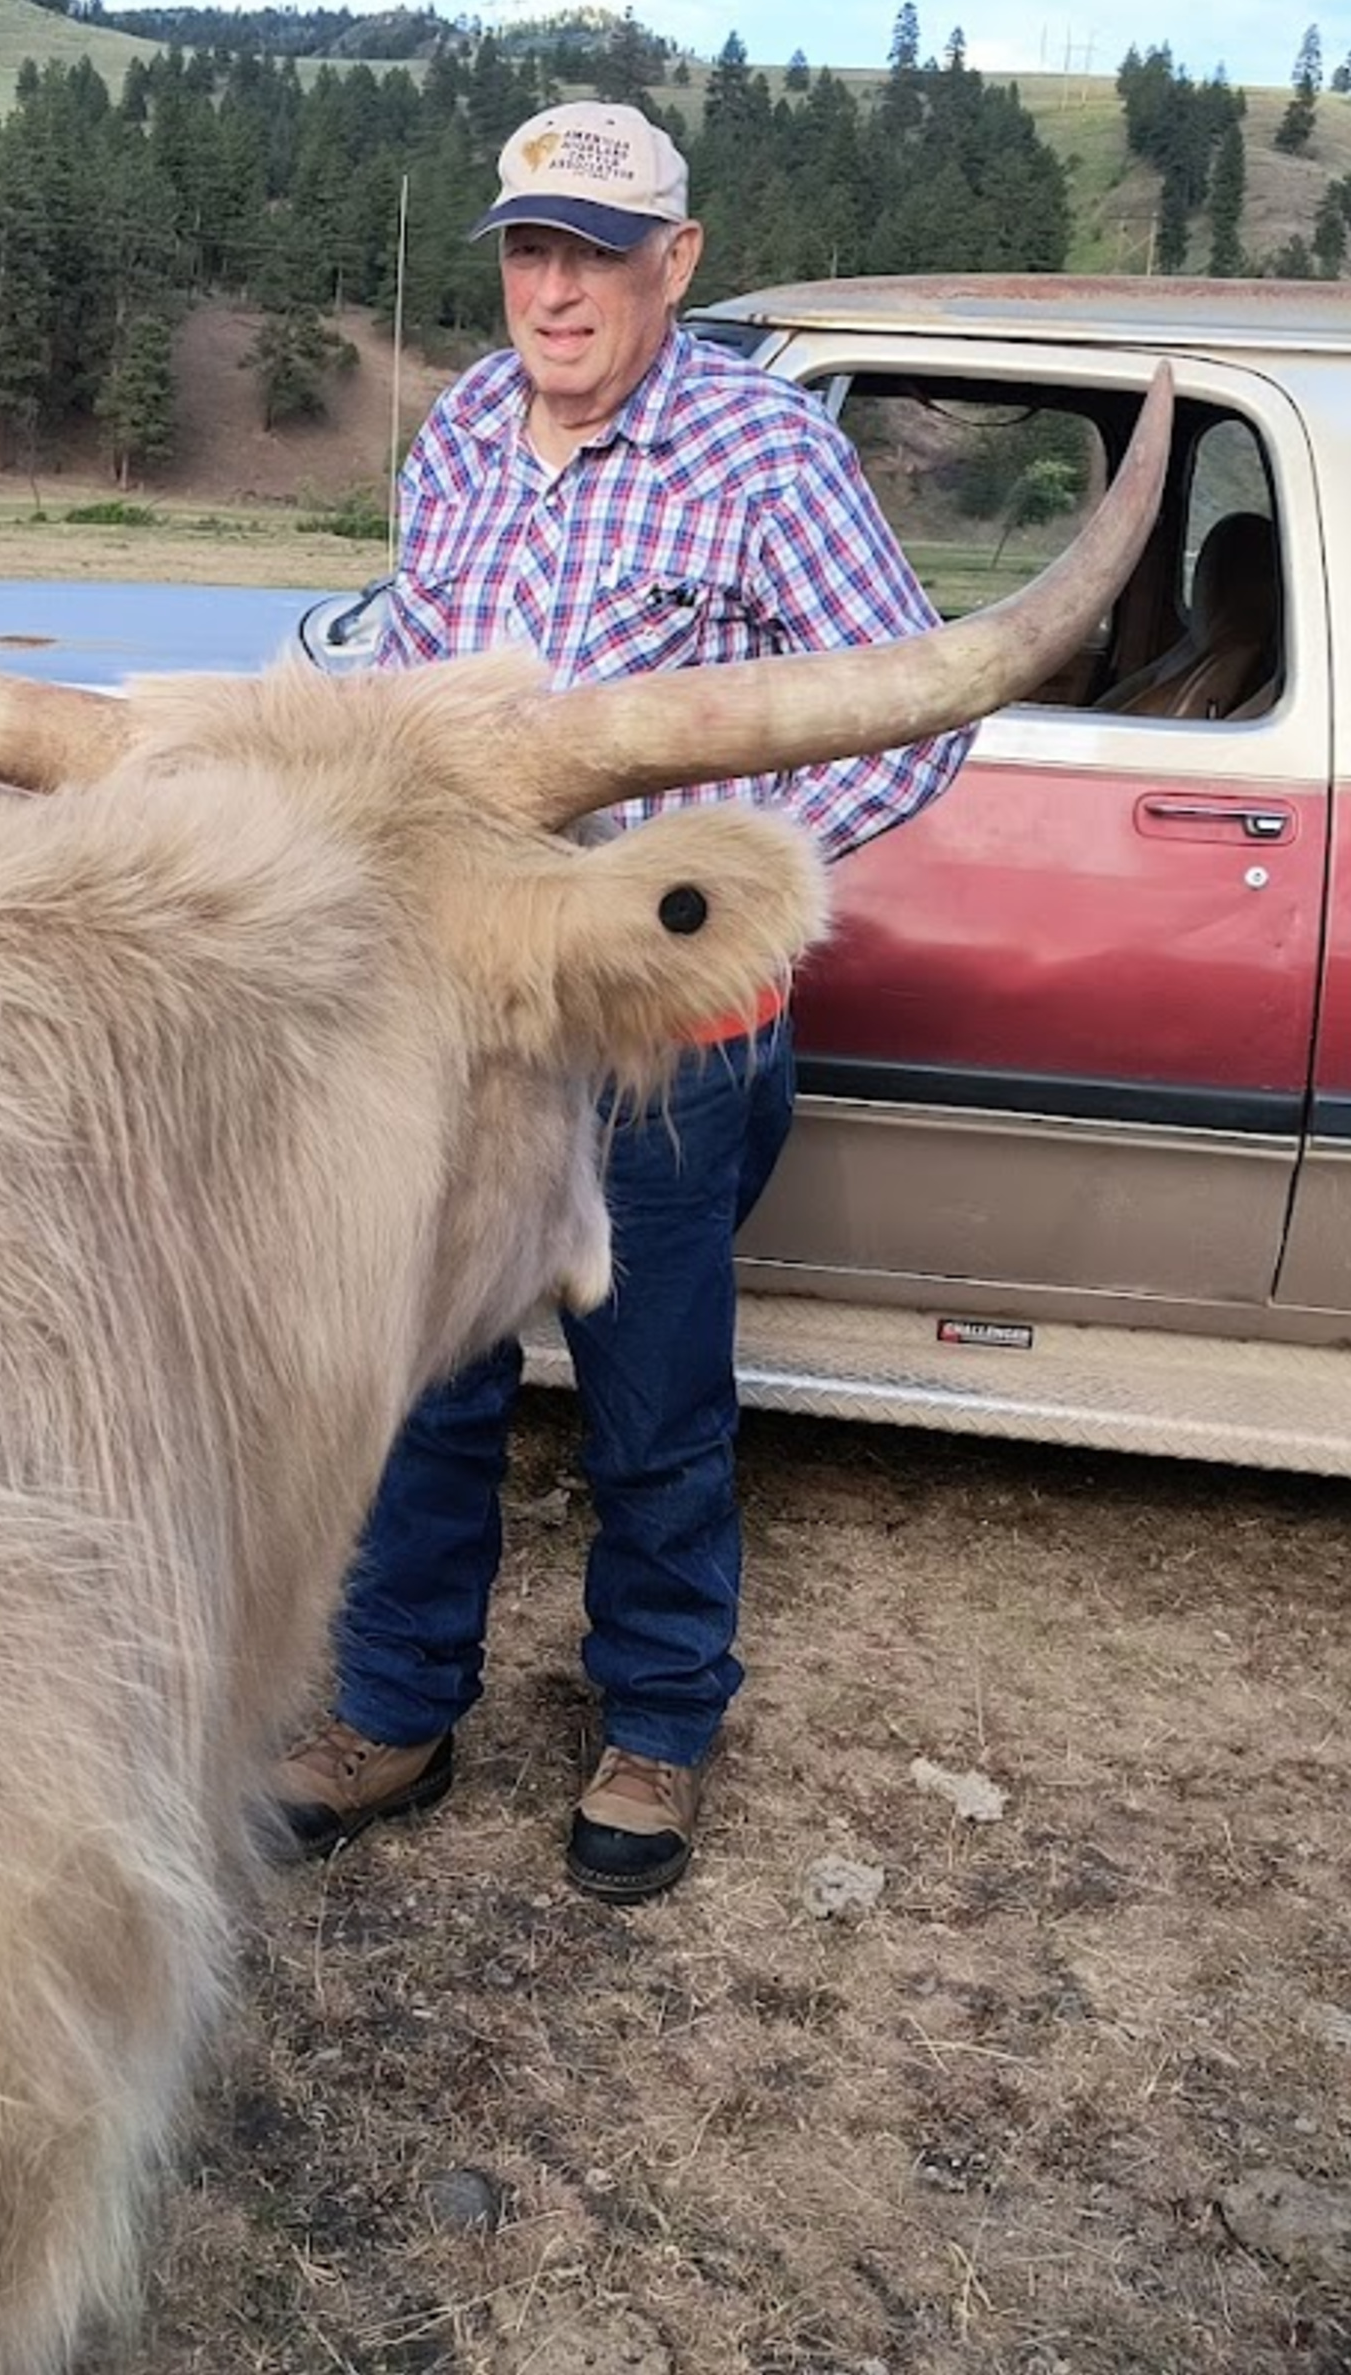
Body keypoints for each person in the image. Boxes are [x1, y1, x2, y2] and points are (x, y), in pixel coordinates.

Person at [269, 98, 971, 1902]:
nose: (555, 287)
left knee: (655, 1393)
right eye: (528, 247)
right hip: (468, 1011)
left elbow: (918, 711)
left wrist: (712, 902)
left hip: (666, 1034)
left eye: (595, 249)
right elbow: (420, 702)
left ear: (680, 263)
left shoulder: (764, 455)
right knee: (433, 1374)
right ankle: (394, 1708)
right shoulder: (456, 447)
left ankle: (657, 1724)